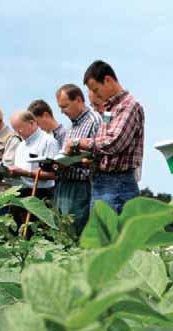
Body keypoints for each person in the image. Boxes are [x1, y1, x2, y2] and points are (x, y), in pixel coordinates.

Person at [64, 60, 144, 213]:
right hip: (102, 183)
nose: (95, 94)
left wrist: (76, 143)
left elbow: (113, 143)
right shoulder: (109, 110)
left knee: (112, 235)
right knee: (101, 234)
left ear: (108, 80)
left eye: (96, 89)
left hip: (117, 185)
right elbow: (103, 147)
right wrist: (89, 159)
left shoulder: (129, 106)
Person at [55, 83, 103, 235]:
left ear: (78, 100)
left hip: (82, 187)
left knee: (76, 233)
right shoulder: (71, 126)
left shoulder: (95, 121)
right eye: (60, 107)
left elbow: (100, 153)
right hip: (64, 184)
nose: (62, 111)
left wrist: (78, 159)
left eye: (65, 106)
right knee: (61, 232)